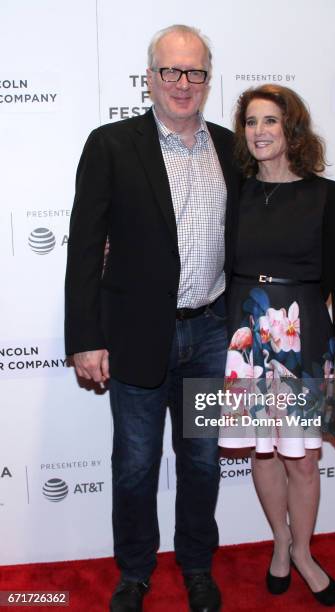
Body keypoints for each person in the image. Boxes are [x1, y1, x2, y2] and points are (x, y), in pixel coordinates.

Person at [64, 24, 239, 612]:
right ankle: (136, 572)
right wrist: (85, 337)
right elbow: (85, 247)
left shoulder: (230, 148)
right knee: (136, 465)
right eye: (171, 71)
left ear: (208, 81)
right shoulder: (111, 144)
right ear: (150, 77)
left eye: (195, 73)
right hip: (138, 334)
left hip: (212, 332)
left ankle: (195, 567)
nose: (182, 84)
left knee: (202, 462)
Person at [219, 84, 335, 606]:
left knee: (302, 459)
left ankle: (303, 551)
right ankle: (279, 542)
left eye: (270, 121)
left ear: (291, 128)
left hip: (304, 336)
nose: (259, 132)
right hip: (246, 336)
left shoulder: (329, 196)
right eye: (251, 122)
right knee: (264, 450)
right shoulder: (236, 192)